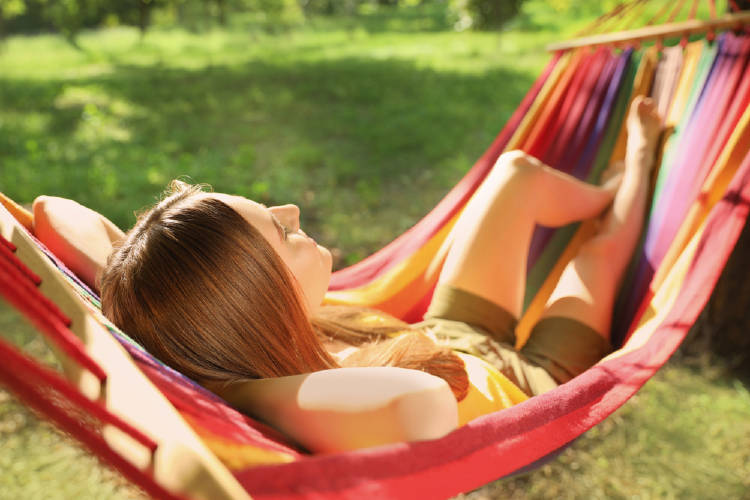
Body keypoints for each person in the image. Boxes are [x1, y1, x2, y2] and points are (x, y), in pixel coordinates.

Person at [99, 96, 662, 453]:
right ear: (259, 296)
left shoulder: (255, 332)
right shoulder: (296, 394)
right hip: (533, 383)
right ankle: (637, 166)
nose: (294, 213)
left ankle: (605, 191)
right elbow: (421, 404)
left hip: (449, 337)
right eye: (280, 231)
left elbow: (54, 212)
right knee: (599, 249)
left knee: (517, 173)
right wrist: (233, 389)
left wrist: (165, 262)